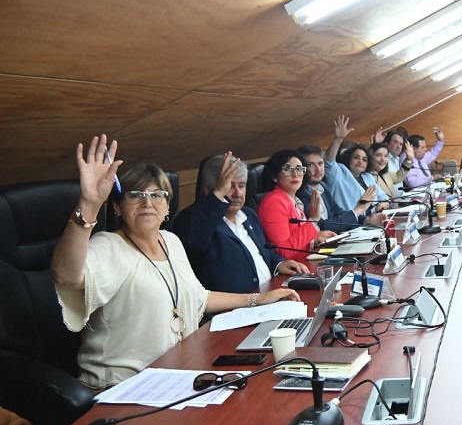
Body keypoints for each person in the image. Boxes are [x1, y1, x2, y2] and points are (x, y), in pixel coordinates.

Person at [50, 135, 300, 389]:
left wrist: (258, 300)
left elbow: (199, 297)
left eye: (158, 195)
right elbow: (67, 276)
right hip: (125, 388)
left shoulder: (170, 241)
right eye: (136, 195)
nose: (148, 203)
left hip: (179, 376)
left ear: (167, 205)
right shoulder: (108, 245)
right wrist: (89, 205)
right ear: (117, 207)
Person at [173, 152, 310, 295]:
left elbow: (263, 251)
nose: (237, 193)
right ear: (208, 190)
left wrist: (279, 263)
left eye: (242, 185)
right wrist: (218, 195)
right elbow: (192, 242)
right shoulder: (193, 219)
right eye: (229, 186)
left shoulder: (248, 214)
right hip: (233, 310)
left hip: (270, 296)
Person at [257, 149, 337, 263]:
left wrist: (316, 236)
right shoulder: (273, 202)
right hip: (293, 271)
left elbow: (298, 238)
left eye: (299, 169)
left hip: (306, 262)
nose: (295, 174)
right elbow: (285, 251)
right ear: (275, 176)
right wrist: (313, 220)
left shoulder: (292, 200)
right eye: (288, 169)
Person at [297, 143, 382, 232]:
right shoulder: (301, 193)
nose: (318, 169)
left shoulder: (322, 185)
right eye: (311, 165)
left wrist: (366, 220)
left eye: (320, 163)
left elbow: (338, 212)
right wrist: (358, 209)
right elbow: (322, 227)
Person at [322, 117, 390, 214]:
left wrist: (383, 203)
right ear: (349, 159)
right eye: (356, 157)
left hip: (372, 220)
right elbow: (329, 162)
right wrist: (339, 139)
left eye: (364, 160)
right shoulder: (339, 174)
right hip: (351, 223)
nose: (360, 161)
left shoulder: (368, 177)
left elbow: (384, 197)